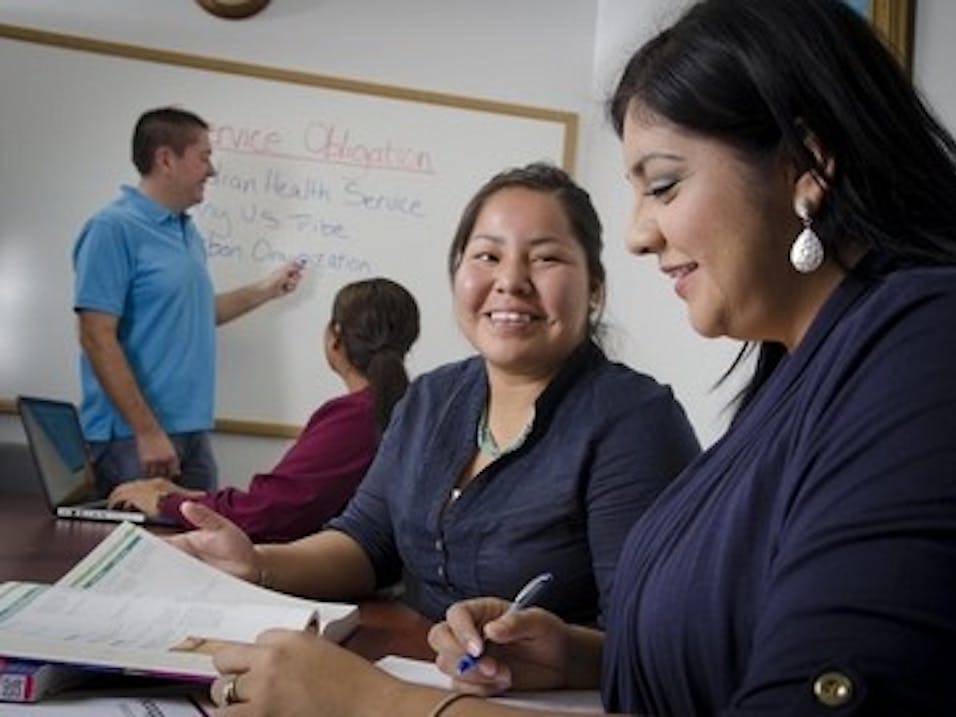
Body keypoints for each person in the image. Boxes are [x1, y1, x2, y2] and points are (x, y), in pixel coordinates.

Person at [198, 0, 956, 714]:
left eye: (663, 184)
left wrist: (374, 706)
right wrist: (577, 653)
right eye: (484, 255)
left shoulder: (940, 339)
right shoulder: (796, 371)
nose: (639, 230)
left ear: (808, 168)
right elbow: (735, 639)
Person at [170, 161, 700, 628]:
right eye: (487, 256)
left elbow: (645, 642)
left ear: (595, 290)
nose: (510, 281)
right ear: (456, 275)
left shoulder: (635, 421)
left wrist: (554, 653)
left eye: (545, 258)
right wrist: (256, 562)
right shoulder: (431, 397)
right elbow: (365, 542)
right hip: (409, 669)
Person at [73, 106, 304, 497]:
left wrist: (266, 290)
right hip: (134, 439)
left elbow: (198, 314)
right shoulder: (113, 229)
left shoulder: (187, 232)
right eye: (204, 156)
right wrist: (147, 431)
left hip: (190, 431)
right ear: (166, 159)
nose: (211, 170)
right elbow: (96, 336)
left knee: (201, 549)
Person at [106, 277, 420, 542]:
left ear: (335, 338)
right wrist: (185, 497)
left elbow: (267, 515)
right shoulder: (413, 409)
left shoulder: (353, 418)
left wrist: (165, 502)